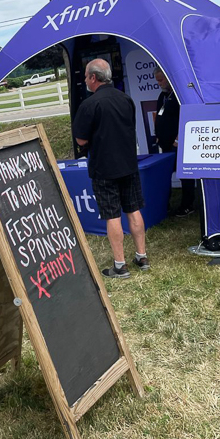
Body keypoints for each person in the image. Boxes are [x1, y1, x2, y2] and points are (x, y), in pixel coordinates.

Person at [74, 58, 149, 279]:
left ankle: (120, 265)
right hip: (128, 164)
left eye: (86, 76)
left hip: (104, 168)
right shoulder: (126, 99)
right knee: (133, 209)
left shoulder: (89, 105)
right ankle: (142, 256)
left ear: (93, 78)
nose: (86, 80)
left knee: (112, 215)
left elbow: (80, 140)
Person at [154, 68, 196, 217]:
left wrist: (179, 138)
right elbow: (159, 115)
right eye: (157, 80)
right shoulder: (163, 96)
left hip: (178, 143)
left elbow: (186, 116)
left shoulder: (179, 95)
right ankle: (165, 205)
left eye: (161, 80)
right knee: (165, 174)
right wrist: (158, 135)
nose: (159, 83)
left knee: (185, 175)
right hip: (164, 143)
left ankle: (187, 205)